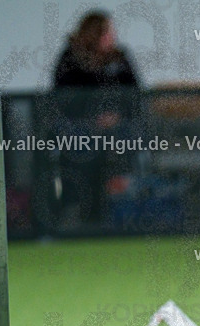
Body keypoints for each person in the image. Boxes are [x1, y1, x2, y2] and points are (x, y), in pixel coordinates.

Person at [52, 10, 140, 223]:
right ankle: (78, 210)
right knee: (80, 141)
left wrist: (115, 116)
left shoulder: (120, 58)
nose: (113, 36)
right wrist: (93, 120)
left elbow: (134, 95)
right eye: (108, 31)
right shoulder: (71, 58)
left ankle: (122, 209)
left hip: (116, 128)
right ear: (94, 33)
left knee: (126, 136)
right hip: (82, 129)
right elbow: (63, 100)